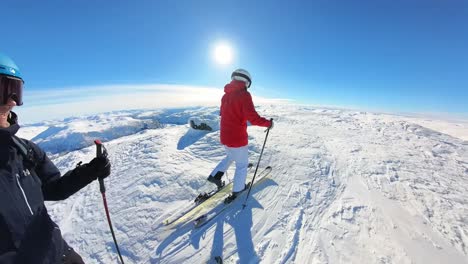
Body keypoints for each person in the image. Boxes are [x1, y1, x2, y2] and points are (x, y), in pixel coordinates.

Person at [0, 53, 111, 263]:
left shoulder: (26, 151)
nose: (10, 102)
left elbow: (53, 188)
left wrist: (89, 172)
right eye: (2, 90)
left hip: (59, 254)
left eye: (15, 91)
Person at [207, 69, 273, 204]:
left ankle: (215, 177)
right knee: (242, 164)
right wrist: (268, 123)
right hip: (237, 138)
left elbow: (226, 114)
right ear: (247, 81)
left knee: (230, 156)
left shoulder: (225, 96)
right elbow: (253, 118)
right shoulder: (244, 95)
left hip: (225, 137)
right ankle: (238, 189)